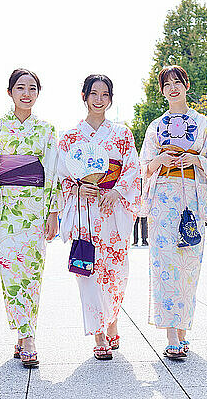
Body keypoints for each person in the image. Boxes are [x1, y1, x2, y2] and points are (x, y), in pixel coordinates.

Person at [0, 68, 61, 367]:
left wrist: (53, 211)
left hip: (35, 209)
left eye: (32, 88)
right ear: (9, 92)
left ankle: (27, 335)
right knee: (11, 274)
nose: (26, 93)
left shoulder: (47, 130)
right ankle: (25, 334)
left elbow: (53, 172)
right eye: (20, 87)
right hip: (6, 209)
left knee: (33, 274)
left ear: (38, 93)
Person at [140, 65, 207, 358]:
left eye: (178, 82)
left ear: (187, 85)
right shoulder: (155, 126)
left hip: (192, 199)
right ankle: (172, 334)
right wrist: (161, 158)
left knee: (189, 266)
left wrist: (194, 159)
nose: (173, 88)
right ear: (161, 90)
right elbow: (144, 166)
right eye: (167, 84)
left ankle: (184, 328)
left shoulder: (203, 124)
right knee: (165, 265)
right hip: (163, 199)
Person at [58, 74, 140, 360]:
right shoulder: (70, 138)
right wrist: (78, 188)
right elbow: (61, 177)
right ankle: (99, 334)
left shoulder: (122, 134)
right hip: (86, 211)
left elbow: (133, 168)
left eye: (105, 94)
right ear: (84, 96)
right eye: (94, 93)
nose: (99, 99)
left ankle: (113, 318)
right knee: (90, 271)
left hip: (113, 208)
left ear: (110, 99)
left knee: (117, 272)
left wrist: (117, 191)